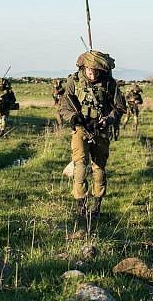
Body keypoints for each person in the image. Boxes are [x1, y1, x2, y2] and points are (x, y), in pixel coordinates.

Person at [58, 50, 125, 218]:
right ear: (84, 67)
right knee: (80, 165)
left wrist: (107, 120)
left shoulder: (110, 84)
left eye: (96, 71)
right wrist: (73, 118)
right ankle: (80, 204)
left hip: (100, 130)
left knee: (99, 167)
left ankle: (96, 205)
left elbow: (119, 108)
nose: (92, 73)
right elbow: (65, 105)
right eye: (89, 70)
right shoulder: (74, 81)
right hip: (81, 128)